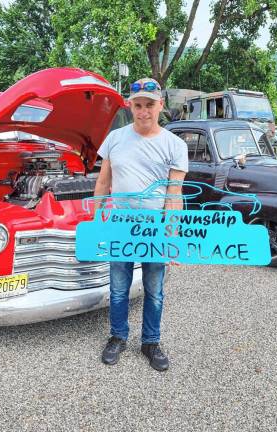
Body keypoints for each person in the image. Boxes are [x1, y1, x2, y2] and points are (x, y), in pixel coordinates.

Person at [94, 77, 188, 372]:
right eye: (138, 105)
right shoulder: (115, 138)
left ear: (161, 105)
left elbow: (174, 194)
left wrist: (172, 236)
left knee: (154, 288)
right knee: (119, 287)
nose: (144, 111)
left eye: (150, 104)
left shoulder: (175, 145)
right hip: (121, 222)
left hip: (154, 225)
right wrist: (98, 221)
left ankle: (151, 341)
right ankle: (118, 336)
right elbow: (103, 182)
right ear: (129, 105)